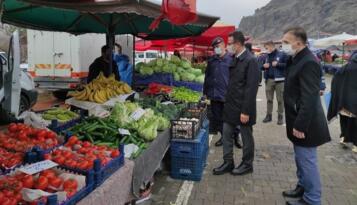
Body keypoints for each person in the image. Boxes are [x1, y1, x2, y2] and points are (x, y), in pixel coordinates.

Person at [281, 27, 331, 205]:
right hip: (297, 118)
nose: (283, 45)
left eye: (286, 42)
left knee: (307, 161)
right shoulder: (295, 59)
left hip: (306, 124)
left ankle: (311, 199)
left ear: (299, 43)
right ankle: (302, 187)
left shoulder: (309, 62)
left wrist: (300, 125)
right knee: (300, 159)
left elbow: (309, 98)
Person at [213, 31, 260, 176]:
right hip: (231, 105)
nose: (228, 46)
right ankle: (228, 162)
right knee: (227, 134)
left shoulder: (250, 60)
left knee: (246, 137)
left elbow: (251, 89)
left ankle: (247, 164)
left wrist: (246, 111)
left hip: (244, 108)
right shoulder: (235, 59)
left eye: (230, 43)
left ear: (238, 44)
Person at [203, 37, 232, 146]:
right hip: (214, 95)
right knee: (218, 118)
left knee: (229, 118)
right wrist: (205, 92)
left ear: (224, 45)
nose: (216, 49)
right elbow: (207, 76)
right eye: (214, 47)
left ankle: (235, 136)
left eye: (218, 46)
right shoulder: (212, 60)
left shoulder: (231, 59)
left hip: (226, 94)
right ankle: (223, 137)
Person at [327, 51, 357, 153]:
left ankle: (343, 137)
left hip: (343, 102)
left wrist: (337, 95)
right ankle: (355, 144)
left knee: (344, 119)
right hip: (354, 103)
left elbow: (334, 81)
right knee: (354, 122)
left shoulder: (344, 68)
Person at [262, 41, 288, 125]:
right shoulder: (266, 56)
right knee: (269, 99)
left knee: (280, 100)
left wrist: (278, 64)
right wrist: (263, 66)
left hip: (280, 80)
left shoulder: (282, 54)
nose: (266, 50)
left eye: (266, 48)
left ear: (271, 46)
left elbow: (288, 65)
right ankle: (268, 116)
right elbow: (260, 66)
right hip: (269, 80)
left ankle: (280, 117)